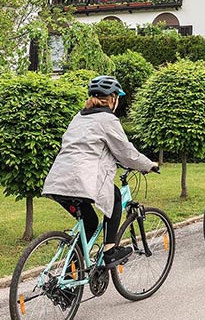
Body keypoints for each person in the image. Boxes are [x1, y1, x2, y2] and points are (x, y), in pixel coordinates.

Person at [42, 75, 159, 268]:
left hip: (58, 180)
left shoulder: (79, 117)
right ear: (112, 98)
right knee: (115, 198)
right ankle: (110, 251)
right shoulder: (107, 119)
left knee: (89, 224)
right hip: (81, 179)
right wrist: (148, 165)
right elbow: (126, 152)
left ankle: (70, 277)